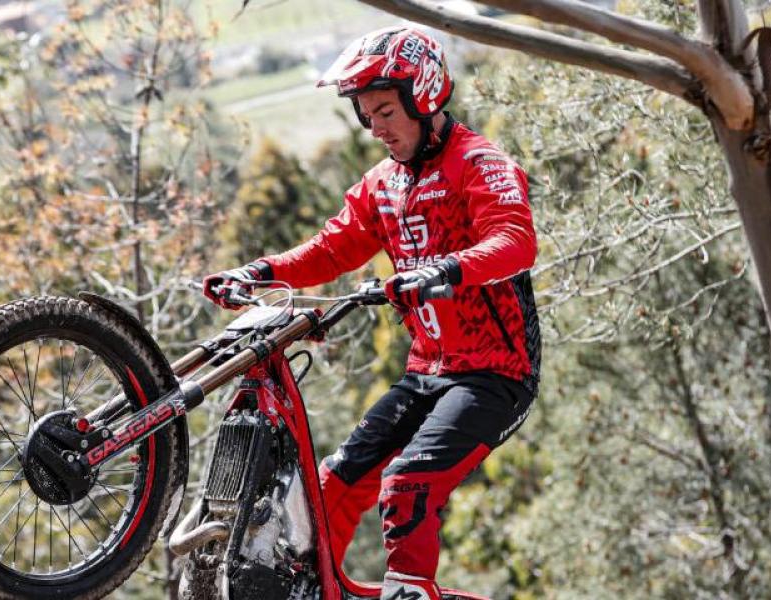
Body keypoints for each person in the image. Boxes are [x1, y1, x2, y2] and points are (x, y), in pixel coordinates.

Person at [202, 26, 540, 600]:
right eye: (365, 115)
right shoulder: (381, 186)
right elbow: (330, 249)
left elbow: (515, 241)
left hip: (494, 375)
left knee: (406, 484)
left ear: (425, 97)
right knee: (330, 486)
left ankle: (409, 589)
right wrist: (260, 272)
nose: (375, 128)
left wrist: (444, 269)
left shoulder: (479, 163)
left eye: (385, 110)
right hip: (426, 370)